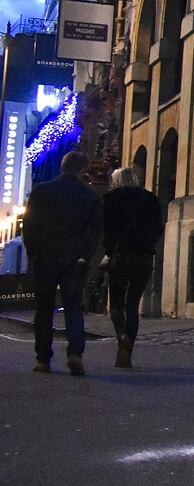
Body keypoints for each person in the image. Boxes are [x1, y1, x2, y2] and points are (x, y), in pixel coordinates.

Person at [23, 150, 103, 375]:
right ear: (82, 170)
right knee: (73, 308)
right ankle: (75, 354)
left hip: (45, 258)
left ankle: (42, 359)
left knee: (44, 310)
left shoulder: (41, 191)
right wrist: (85, 255)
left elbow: (28, 225)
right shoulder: (88, 195)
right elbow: (95, 231)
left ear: (63, 167)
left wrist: (34, 252)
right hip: (74, 260)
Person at [101, 166, 165, 369]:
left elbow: (107, 229)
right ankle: (128, 351)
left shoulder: (110, 199)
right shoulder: (149, 199)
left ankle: (122, 337)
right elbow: (157, 227)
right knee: (133, 306)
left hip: (120, 256)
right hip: (143, 256)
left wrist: (108, 250)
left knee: (117, 304)